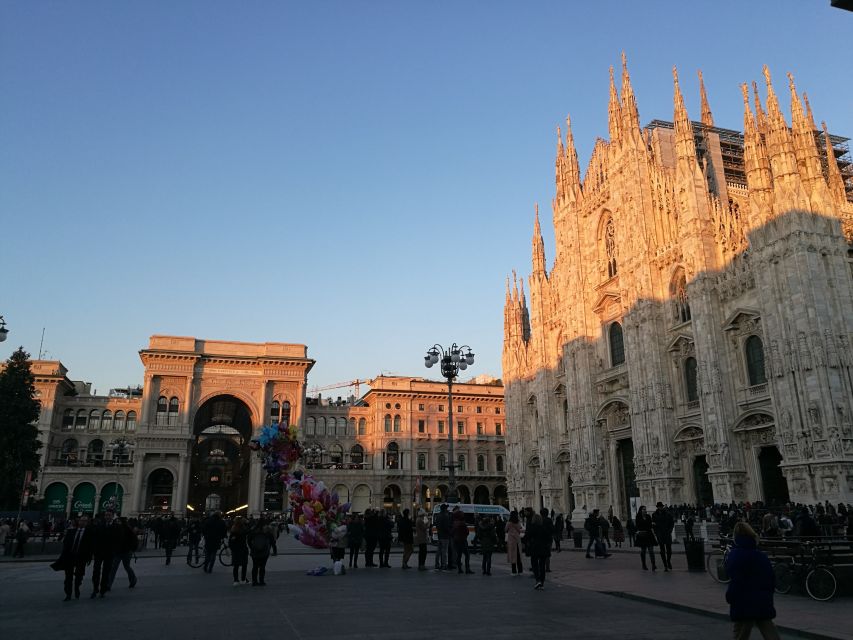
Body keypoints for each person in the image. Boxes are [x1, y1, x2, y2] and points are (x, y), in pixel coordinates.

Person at [725, 522, 780, 640]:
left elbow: (735, 580)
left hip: (743, 601)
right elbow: (771, 578)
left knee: (740, 633)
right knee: (769, 630)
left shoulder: (734, 555)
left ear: (735, 536)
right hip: (762, 599)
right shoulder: (761, 556)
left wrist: (730, 596)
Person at [57, 515, 94, 601]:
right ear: (79, 521)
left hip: (81, 557)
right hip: (70, 557)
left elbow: (90, 546)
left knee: (79, 575)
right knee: (68, 577)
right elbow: (65, 544)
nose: (83, 522)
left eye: (85, 521)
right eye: (82, 520)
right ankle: (68, 594)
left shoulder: (89, 533)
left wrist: (89, 557)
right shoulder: (71, 532)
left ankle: (77, 586)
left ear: (87, 523)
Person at [89, 512, 119, 598]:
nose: (107, 517)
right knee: (96, 571)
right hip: (99, 552)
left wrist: (114, 550)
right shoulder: (99, 525)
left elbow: (118, 539)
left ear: (112, 516)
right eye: (106, 515)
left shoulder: (116, 527)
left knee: (106, 572)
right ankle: (95, 588)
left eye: (109, 515)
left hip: (109, 553)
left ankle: (102, 589)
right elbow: (94, 538)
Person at [523, 512, 551, 590]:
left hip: (534, 548)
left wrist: (527, 543)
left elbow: (526, 538)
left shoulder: (531, 528)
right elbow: (549, 538)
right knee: (542, 566)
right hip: (543, 549)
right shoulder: (543, 528)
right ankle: (542, 582)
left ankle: (537, 580)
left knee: (534, 565)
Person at [108, 517, 138, 590]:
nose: (117, 523)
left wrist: (131, 549)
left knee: (125, 567)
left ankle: (133, 580)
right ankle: (108, 585)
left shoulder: (128, 530)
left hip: (126, 552)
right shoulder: (116, 529)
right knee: (114, 568)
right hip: (118, 552)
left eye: (118, 521)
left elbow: (134, 540)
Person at [247, 520, 274, 586]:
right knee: (262, 567)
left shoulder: (253, 531)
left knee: (255, 566)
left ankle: (254, 581)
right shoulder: (267, 532)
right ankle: (261, 581)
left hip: (255, 551)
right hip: (264, 551)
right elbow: (272, 540)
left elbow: (248, 540)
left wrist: (252, 547)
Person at [652, 502, 674, 571]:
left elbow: (672, 523)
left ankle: (668, 560)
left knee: (669, 549)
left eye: (661, 506)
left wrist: (670, 530)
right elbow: (653, 524)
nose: (660, 507)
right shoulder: (654, 515)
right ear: (657, 507)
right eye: (659, 506)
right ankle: (665, 565)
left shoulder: (668, 514)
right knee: (662, 550)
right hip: (660, 534)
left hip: (667, 533)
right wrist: (656, 532)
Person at [451, 508, 473, 574]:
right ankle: (467, 569)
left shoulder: (454, 523)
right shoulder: (462, 523)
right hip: (462, 540)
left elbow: (452, 532)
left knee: (459, 555)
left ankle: (460, 569)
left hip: (456, 541)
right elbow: (467, 532)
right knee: (467, 555)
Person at [635, 505, 657, 571]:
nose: (645, 510)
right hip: (642, 535)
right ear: (640, 510)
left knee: (651, 551)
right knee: (643, 551)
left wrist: (652, 525)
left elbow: (650, 525)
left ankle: (653, 564)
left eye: (645, 509)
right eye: (643, 509)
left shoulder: (648, 516)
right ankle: (644, 564)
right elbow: (638, 525)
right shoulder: (638, 517)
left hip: (649, 535)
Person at [229, 517, 250, 586]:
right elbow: (249, 531)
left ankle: (236, 580)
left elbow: (230, 542)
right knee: (244, 565)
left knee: (236, 566)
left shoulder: (233, 530)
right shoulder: (244, 529)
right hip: (243, 549)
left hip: (236, 550)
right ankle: (243, 579)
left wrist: (232, 549)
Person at [434, 504, 452, 571]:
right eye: (446, 508)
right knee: (444, 551)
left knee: (438, 551)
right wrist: (450, 532)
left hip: (439, 535)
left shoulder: (438, 516)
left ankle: (437, 564)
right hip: (445, 536)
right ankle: (444, 565)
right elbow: (446, 527)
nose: (447, 510)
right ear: (444, 509)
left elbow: (436, 525)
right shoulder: (445, 516)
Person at [506, 510, 523, 575]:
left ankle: (514, 571)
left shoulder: (509, 523)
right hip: (517, 540)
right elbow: (520, 529)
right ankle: (520, 571)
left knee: (513, 556)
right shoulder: (518, 522)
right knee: (518, 556)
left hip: (511, 541)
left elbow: (505, 529)